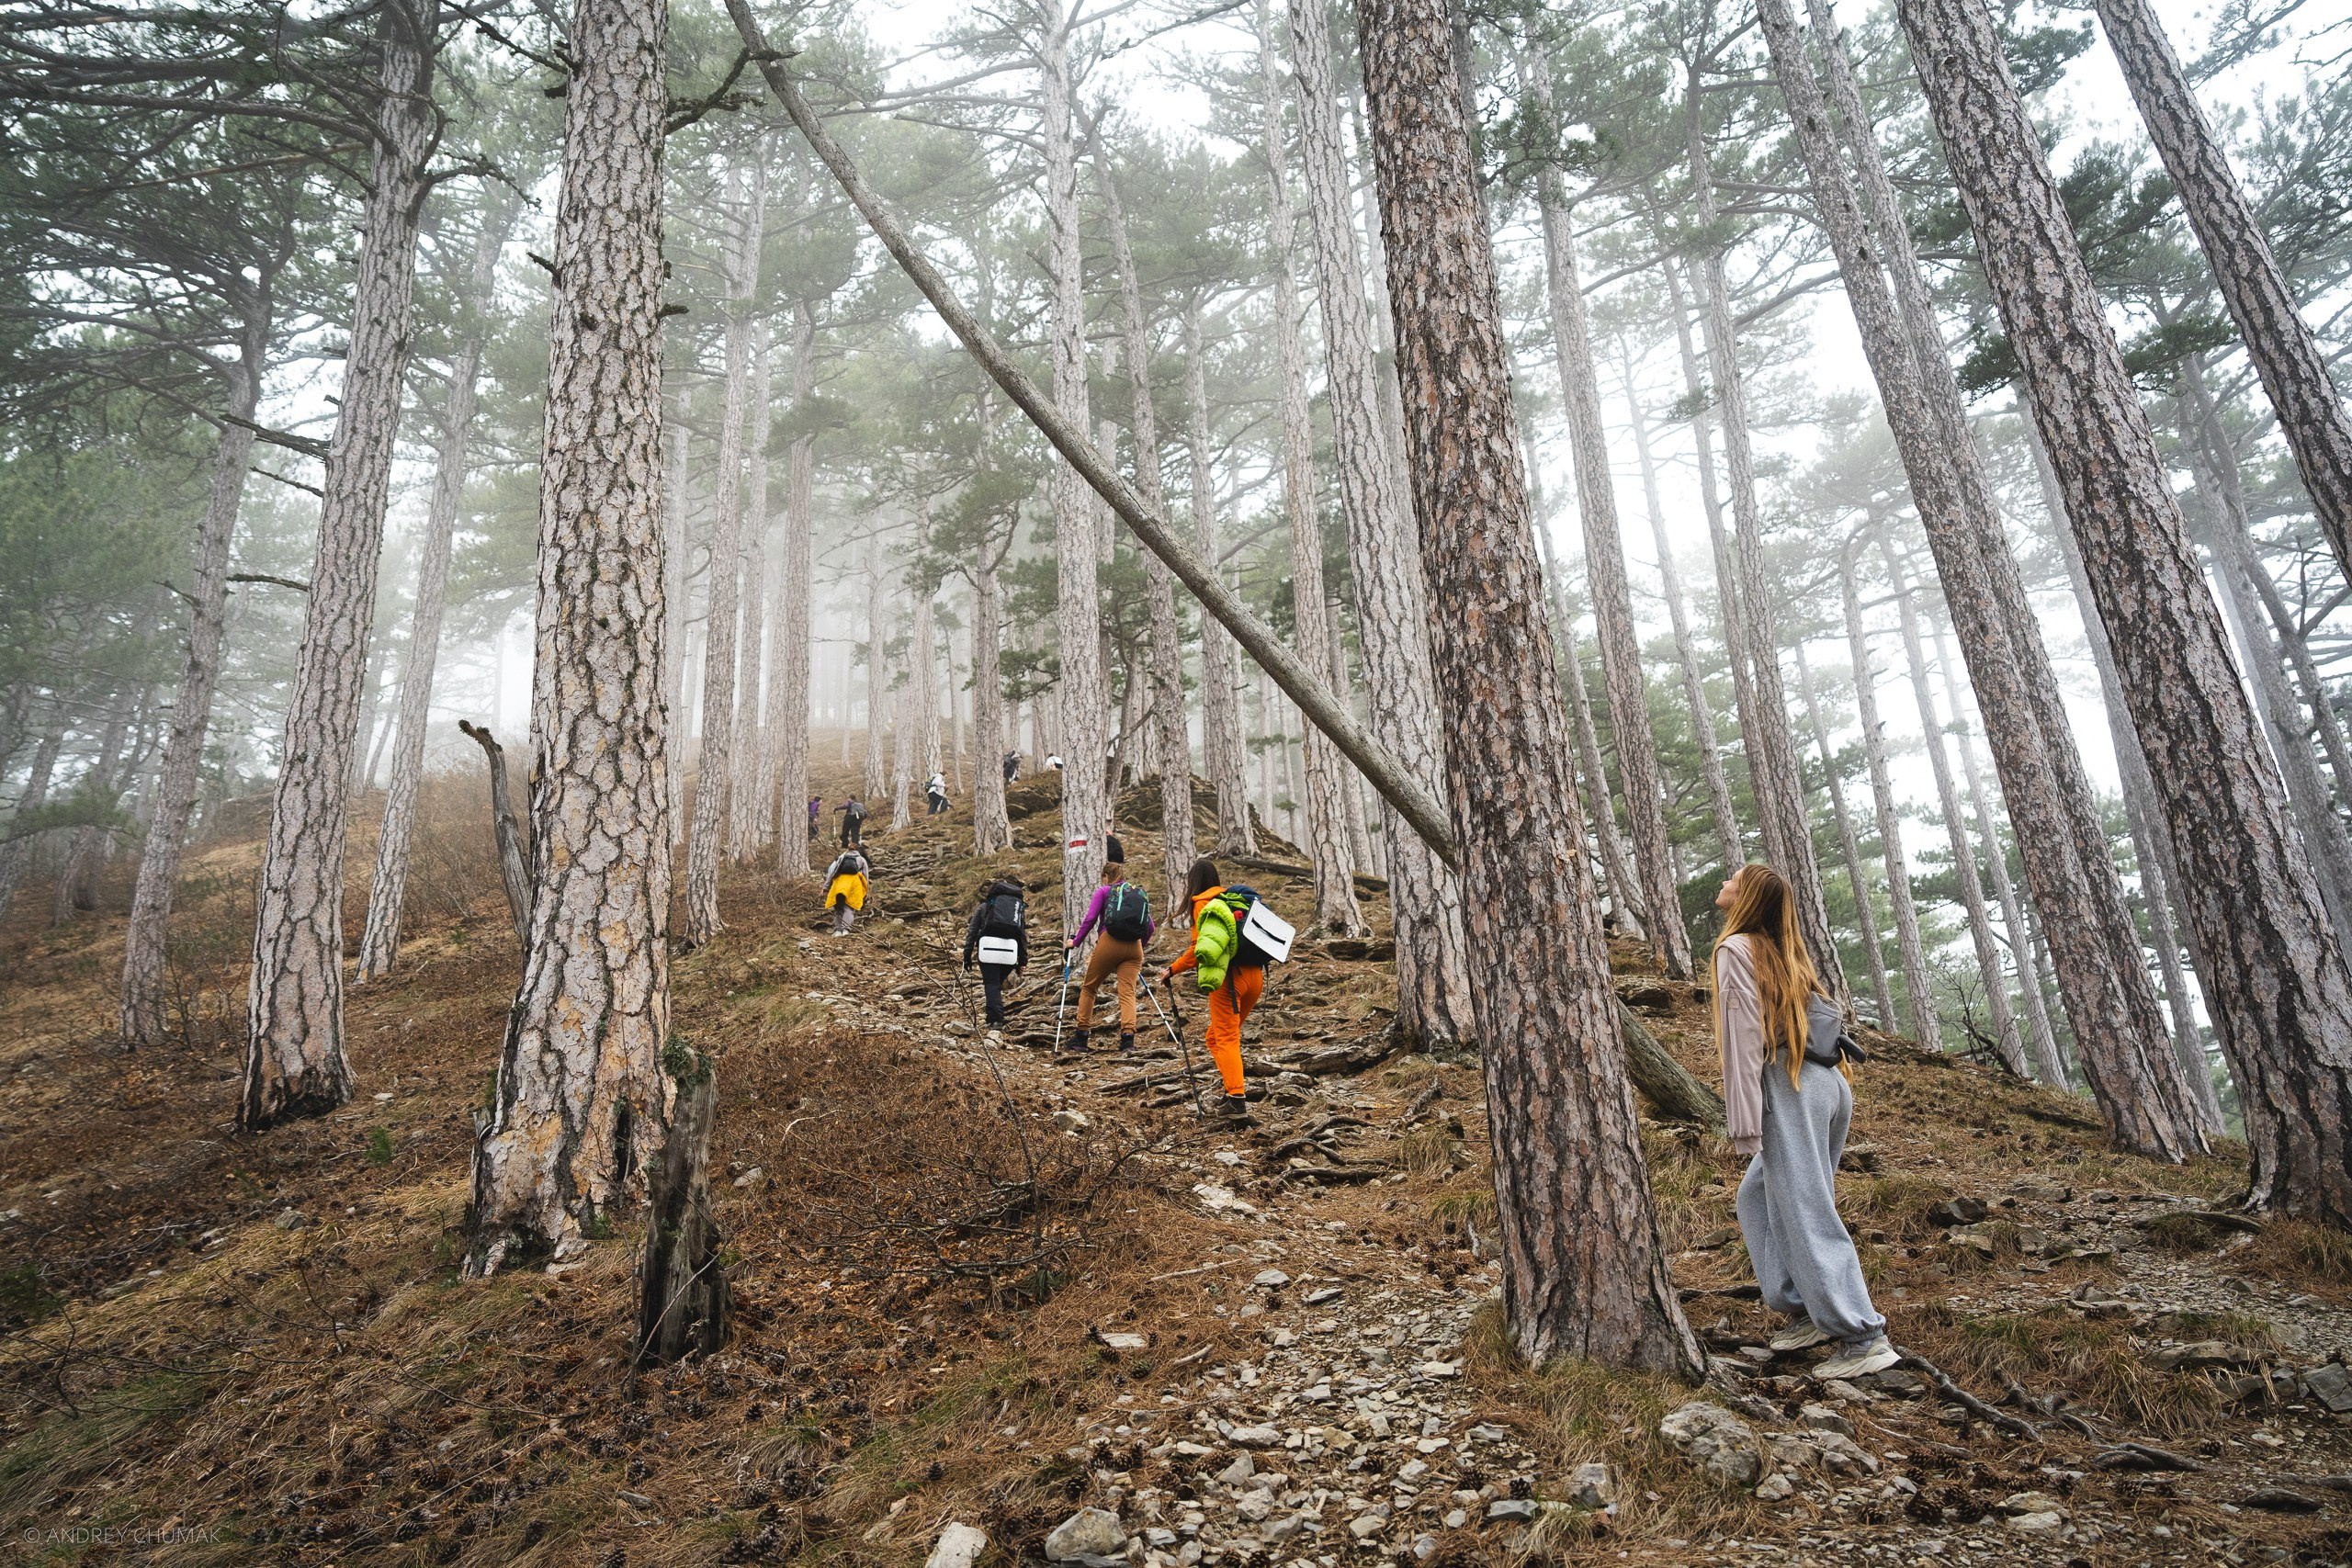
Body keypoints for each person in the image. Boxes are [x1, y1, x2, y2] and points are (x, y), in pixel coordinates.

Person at [1714, 862, 1896, 1382]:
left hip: (1789, 1085)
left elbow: (1742, 1042)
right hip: (1827, 1085)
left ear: (1746, 897)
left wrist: (1744, 1121)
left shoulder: (1735, 949)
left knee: (1805, 1208)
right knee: (1757, 1196)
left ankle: (1862, 1335)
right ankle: (1803, 1307)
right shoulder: (1780, 950)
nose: (1725, 881)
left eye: (1734, 877)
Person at [1159, 857, 1264, 1122]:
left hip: (1229, 981)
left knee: (1226, 1039)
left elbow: (1198, 950)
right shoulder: (1230, 898)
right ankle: (1232, 1091)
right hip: (1255, 977)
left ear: (1194, 881)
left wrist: (1172, 969)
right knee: (1214, 1037)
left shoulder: (1203, 904)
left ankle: (1237, 1101)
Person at [1064, 835, 1153, 1055]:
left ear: (1106, 876)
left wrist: (1075, 942)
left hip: (1109, 941)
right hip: (1134, 948)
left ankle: (1081, 1037)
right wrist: (1139, 946)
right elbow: (1150, 927)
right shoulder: (1136, 894)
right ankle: (1127, 1040)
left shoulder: (1104, 891)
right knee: (1127, 992)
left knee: (1090, 987)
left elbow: (1090, 919)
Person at [962, 874, 1029, 1029]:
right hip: (1010, 952)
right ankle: (993, 1017)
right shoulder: (1017, 910)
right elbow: (1022, 934)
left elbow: (972, 932)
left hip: (988, 949)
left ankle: (995, 1020)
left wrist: (967, 955)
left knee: (992, 985)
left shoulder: (984, 908)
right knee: (995, 985)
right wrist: (1023, 961)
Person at [823, 846, 870, 937]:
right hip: (854, 885)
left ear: (848, 850)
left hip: (839, 884)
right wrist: (866, 891)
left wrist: (825, 888)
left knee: (838, 908)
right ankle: (845, 930)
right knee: (849, 908)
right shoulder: (861, 859)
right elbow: (866, 876)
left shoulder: (842, 857)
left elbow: (832, 872)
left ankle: (837, 930)